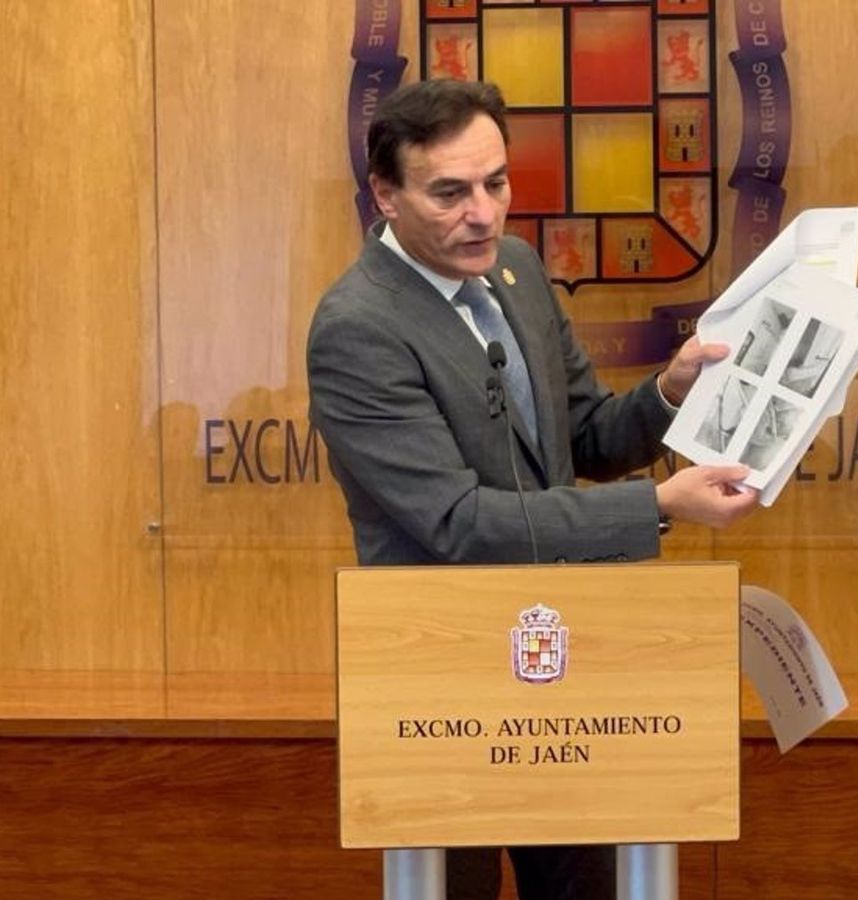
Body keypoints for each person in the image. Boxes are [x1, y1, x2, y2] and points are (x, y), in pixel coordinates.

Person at [306, 79, 758, 900]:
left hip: (566, 667)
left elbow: (583, 435)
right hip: (440, 683)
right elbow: (456, 522)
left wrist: (671, 391)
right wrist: (658, 507)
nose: (483, 213)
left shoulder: (512, 269)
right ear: (385, 194)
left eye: (496, 183)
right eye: (449, 193)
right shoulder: (358, 326)